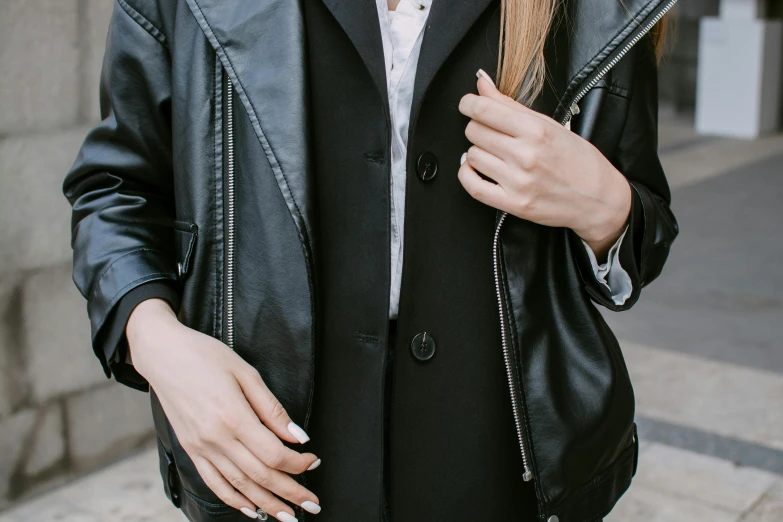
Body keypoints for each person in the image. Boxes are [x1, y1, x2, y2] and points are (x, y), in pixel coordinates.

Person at [63, 0, 679, 521]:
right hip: (270, 456)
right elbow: (116, 188)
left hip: (503, 464)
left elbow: (641, 233)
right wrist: (157, 342)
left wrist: (603, 204)